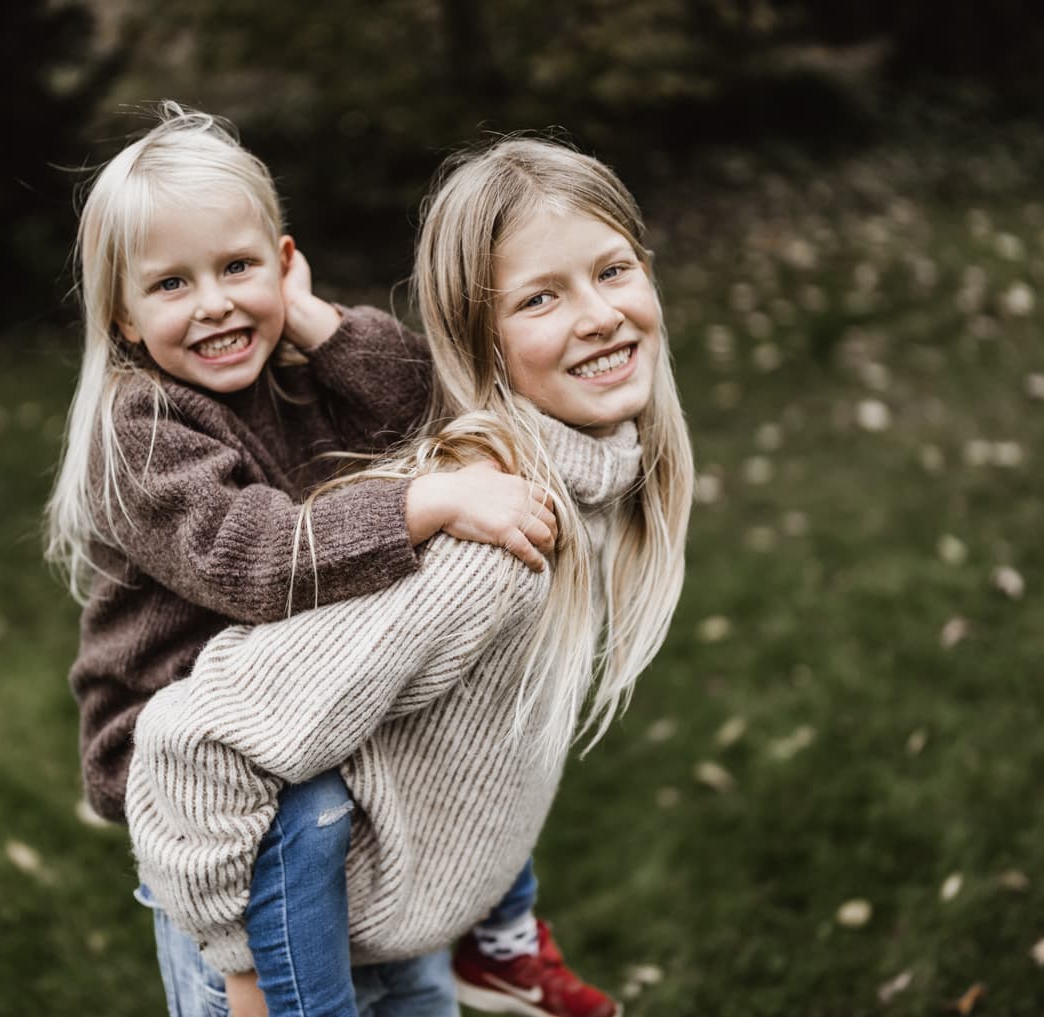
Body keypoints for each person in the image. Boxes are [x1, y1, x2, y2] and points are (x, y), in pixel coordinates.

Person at [45, 107, 616, 1017]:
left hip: (319, 719)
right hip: (203, 768)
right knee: (301, 833)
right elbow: (254, 558)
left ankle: (494, 937)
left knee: (474, 710)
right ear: (121, 313)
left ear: (281, 259)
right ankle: (260, 986)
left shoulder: (295, 366)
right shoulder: (141, 432)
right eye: (172, 284)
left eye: (237, 268)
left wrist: (314, 320)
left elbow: (430, 403)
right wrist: (424, 502)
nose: (215, 303)